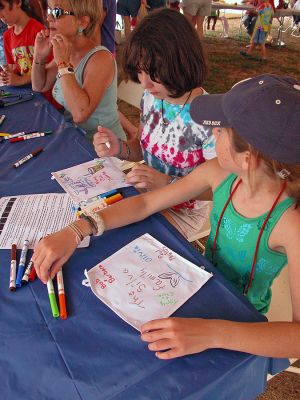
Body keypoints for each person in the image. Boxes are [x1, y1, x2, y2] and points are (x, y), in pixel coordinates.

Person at [32, 73, 300, 359]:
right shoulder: (220, 174)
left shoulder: (291, 224)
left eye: (220, 130)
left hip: (239, 326)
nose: (212, 133)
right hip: (196, 286)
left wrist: (211, 333)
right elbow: (146, 204)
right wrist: (78, 229)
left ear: (249, 159)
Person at [93, 8, 215, 240]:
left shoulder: (208, 118)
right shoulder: (152, 97)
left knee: (122, 240)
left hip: (182, 212)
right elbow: (143, 147)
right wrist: (119, 148)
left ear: (180, 61)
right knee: (98, 223)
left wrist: (168, 182)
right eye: (140, 72)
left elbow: (219, 188)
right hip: (143, 194)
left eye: (153, 72)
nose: (145, 83)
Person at [31, 0, 126, 141]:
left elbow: (80, 114)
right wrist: (39, 56)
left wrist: (63, 64)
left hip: (106, 149)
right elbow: (39, 85)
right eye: (50, 11)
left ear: (82, 22)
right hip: (76, 140)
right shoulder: (68, 52)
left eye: (57, 12)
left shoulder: (100, 58)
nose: (48, 18)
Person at [0, 0, 47, 86]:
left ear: (17, 2)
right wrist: (7, 75)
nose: (0, 16)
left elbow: (50, 68)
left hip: (43, 94)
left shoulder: (39, 32)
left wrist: (21, 80)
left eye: (1, 8)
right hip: (24, 93)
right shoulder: (7, 36)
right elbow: (14, 68)